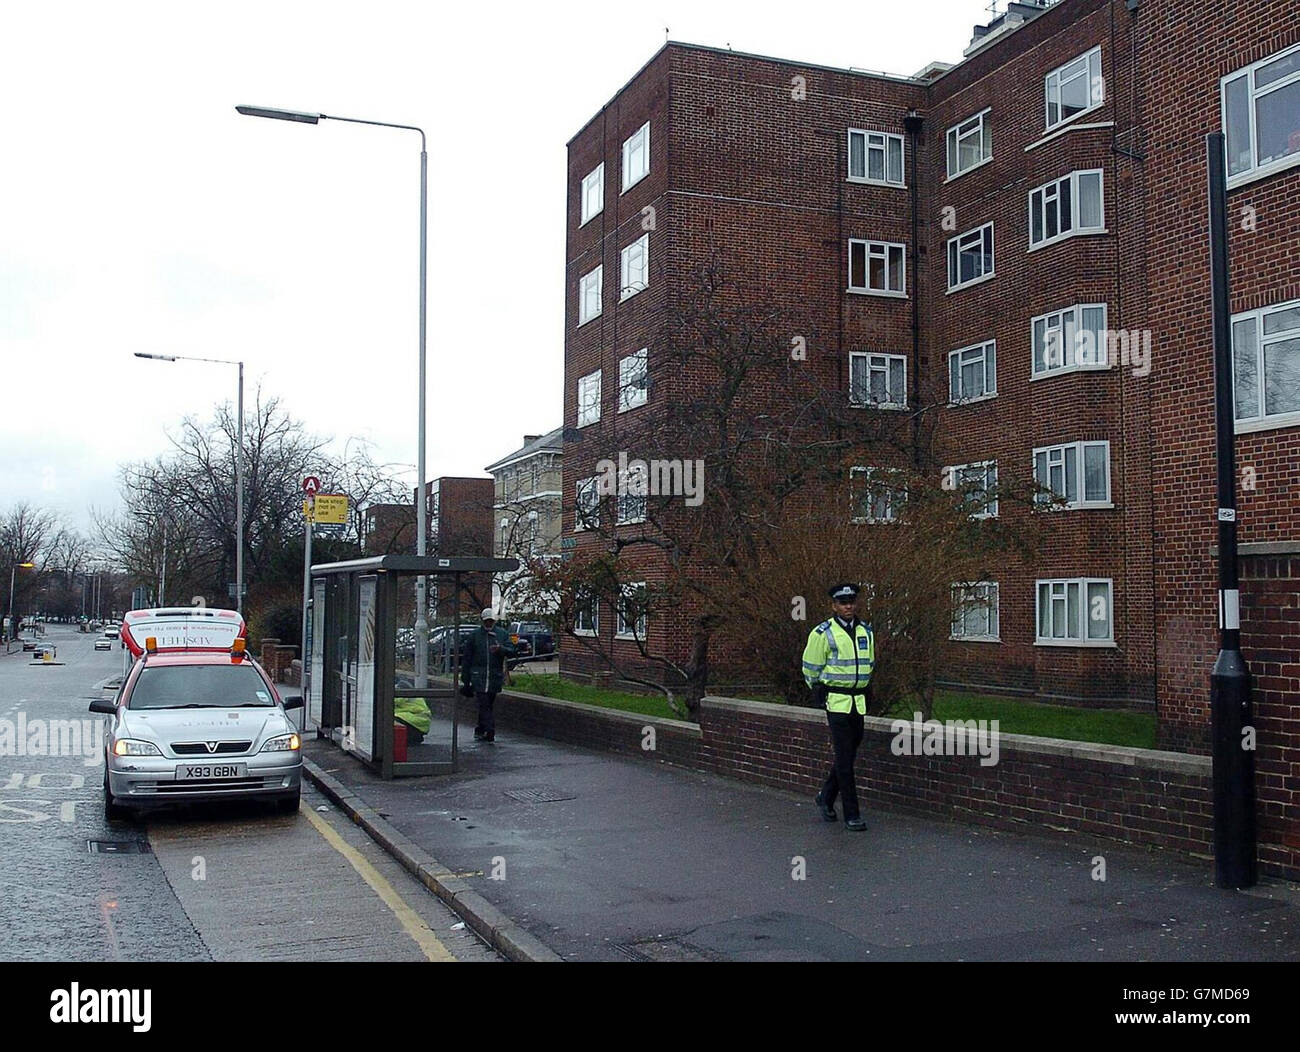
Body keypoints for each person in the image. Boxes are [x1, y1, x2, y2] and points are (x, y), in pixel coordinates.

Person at [802, 583, 876, 832]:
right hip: (837, 702)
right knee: (845, 758)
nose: (848, 606)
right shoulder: (823, 633)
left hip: (858, 702)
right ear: (834, 605)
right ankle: (852, 814)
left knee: (849, 755)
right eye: (843, 602)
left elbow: (870, 663)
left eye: (852, 602)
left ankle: (825, 796)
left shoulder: (866, 631)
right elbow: (810, 667)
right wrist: (819, 691)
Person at [461, 608, 516, 742]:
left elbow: (512, 650)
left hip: (493, 676)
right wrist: (466, 679)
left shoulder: (501, 634)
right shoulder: (475, 636)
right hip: (478, 676)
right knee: (483, 702)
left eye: (491, 621)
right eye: (487, 621)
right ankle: (490, 730)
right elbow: (467, 658)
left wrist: (500, 649)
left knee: (488, 704)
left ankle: (480, 729)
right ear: (482, 621)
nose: (489, 624)